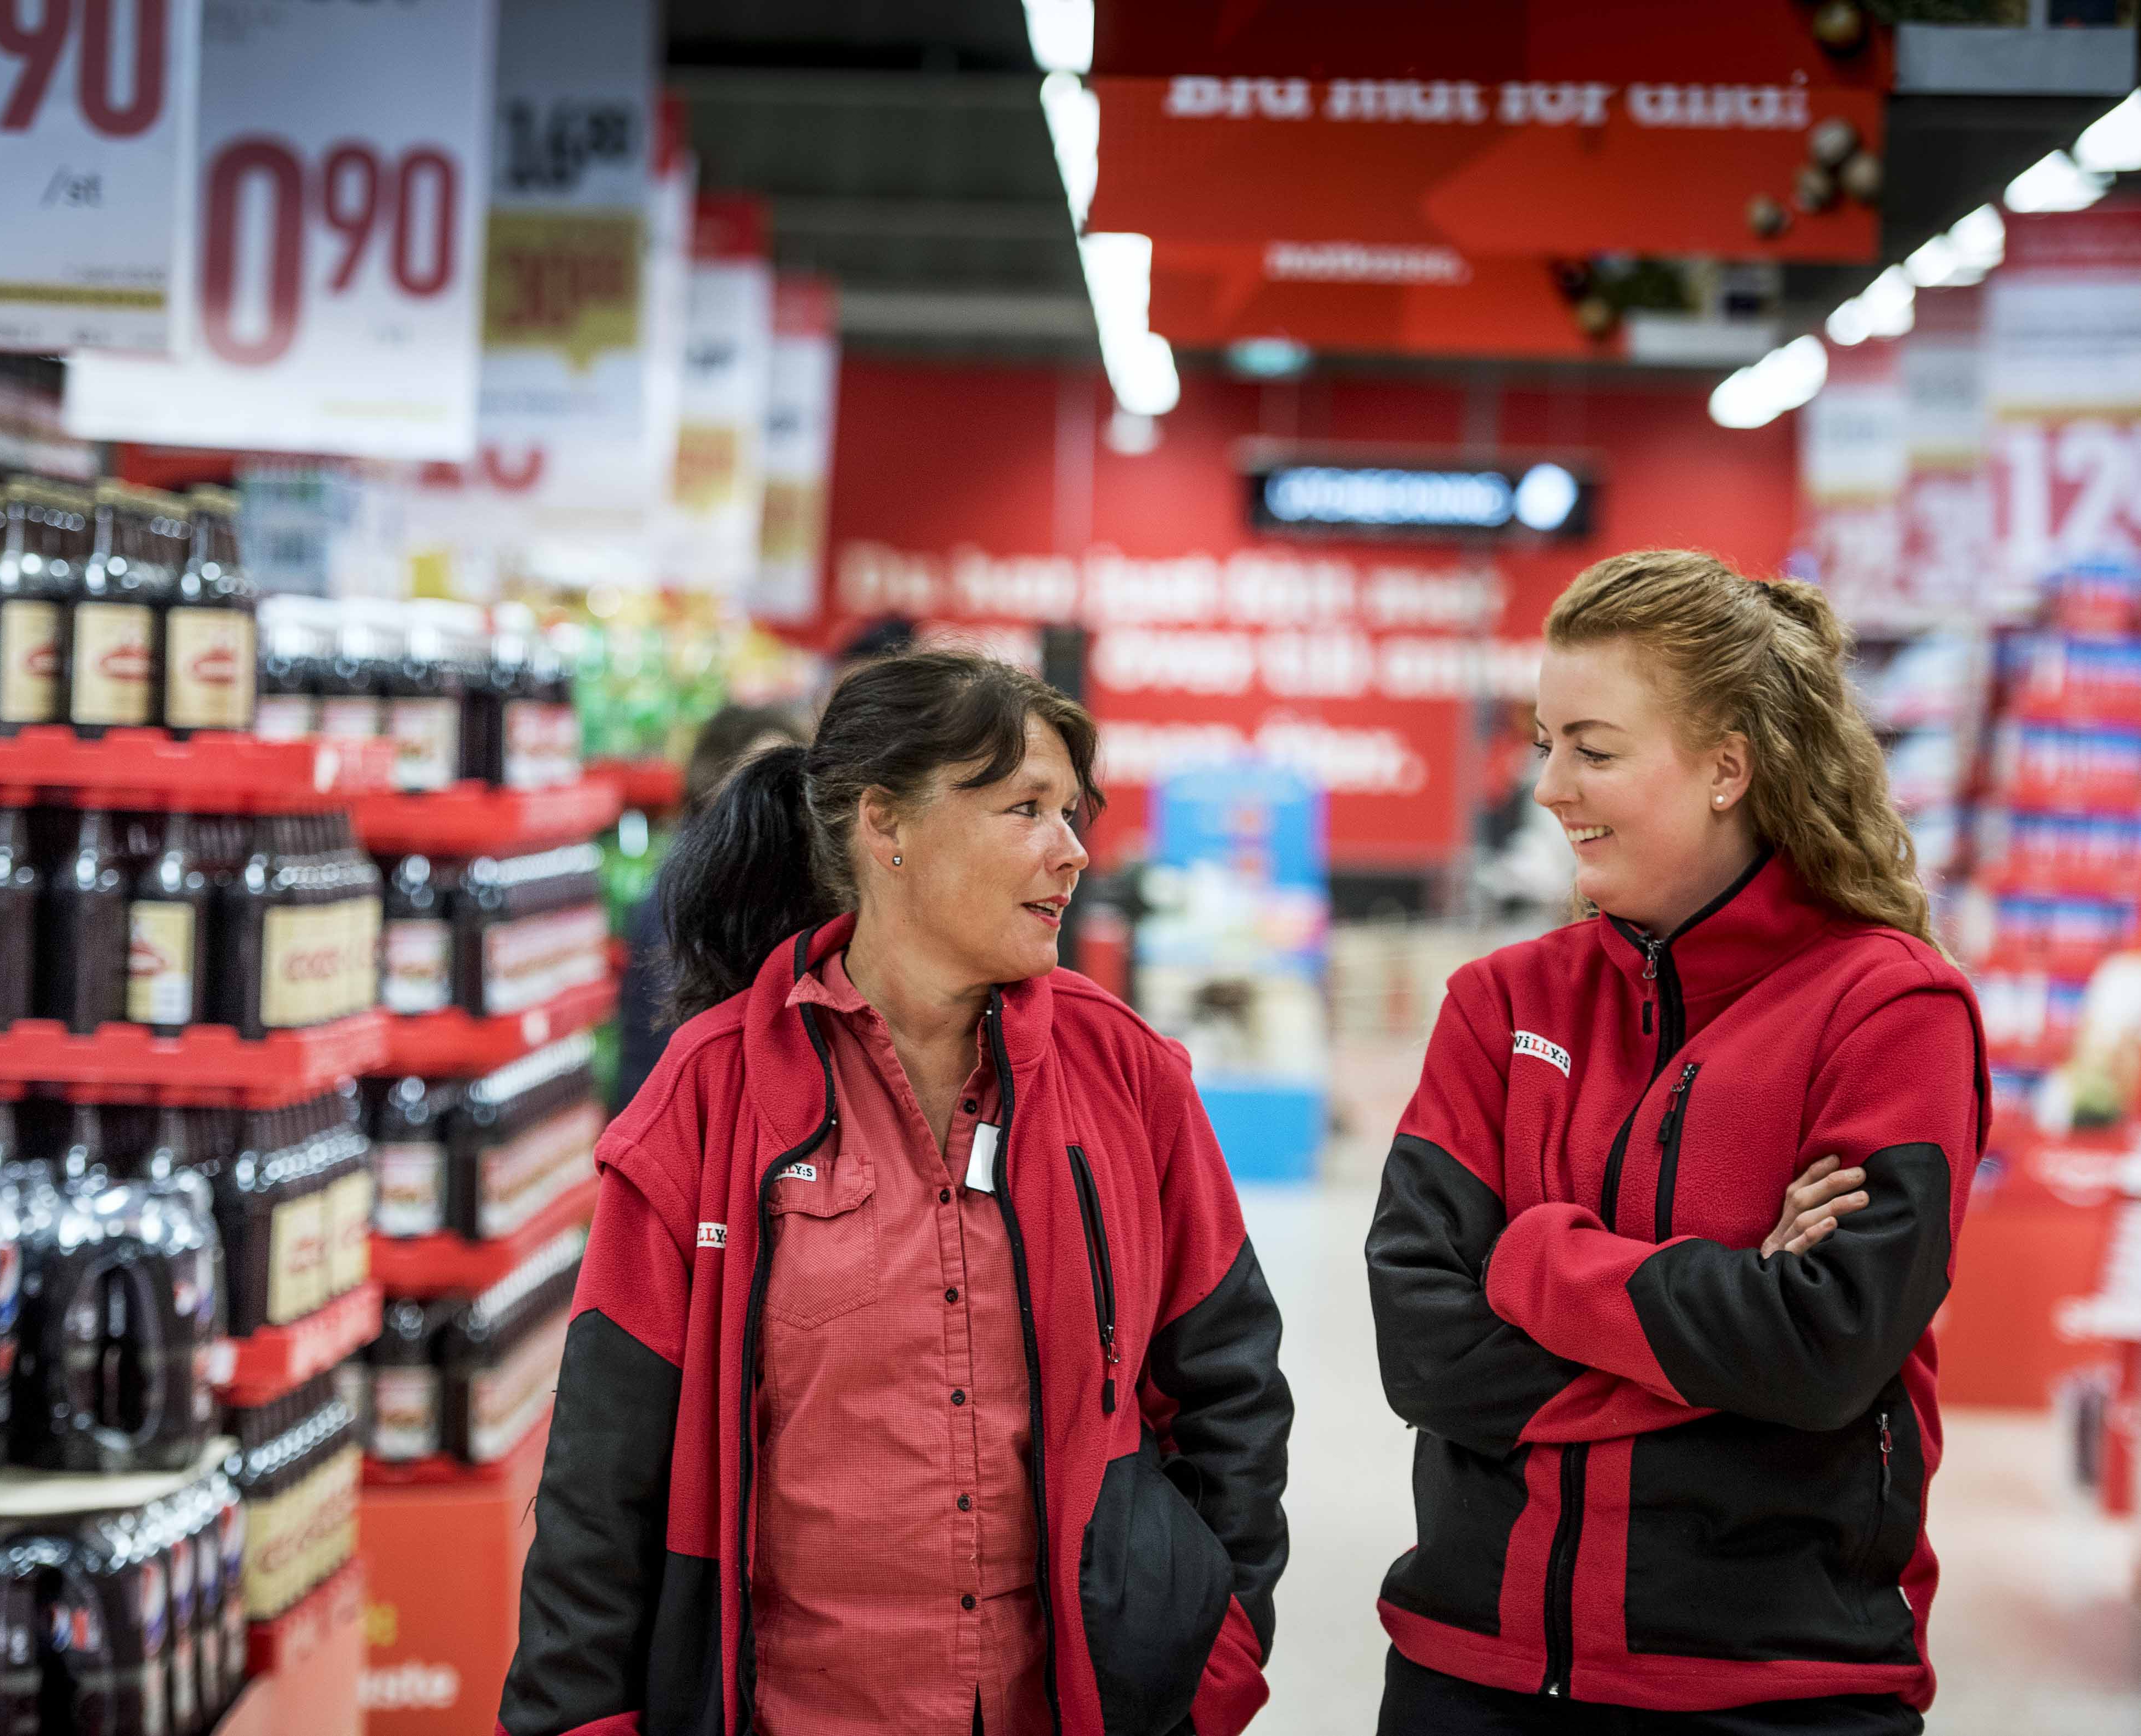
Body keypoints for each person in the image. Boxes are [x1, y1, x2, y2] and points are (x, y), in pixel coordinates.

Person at [499, 650, 1294, 1736]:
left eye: (1070, 812)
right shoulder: (712, 1089)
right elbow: (602, 1480)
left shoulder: (1124, 1072)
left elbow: (1230, 1385)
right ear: (887, 824)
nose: (1070, 850)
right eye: (1024, 808)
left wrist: (1211, 1650)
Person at [1366, 551, 1985, 1734]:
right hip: (1467, 1671)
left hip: (1777, 1691)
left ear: (1725, 769)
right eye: (1543, 741)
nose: (1547, 787)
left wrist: (1529, 1261)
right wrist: (1731, 1322)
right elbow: (1425, 1349)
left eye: (1592, 749)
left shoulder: (1889, 1010)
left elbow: (1823, 1349)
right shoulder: (1499, 1004)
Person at [613, 703, 805, 1112]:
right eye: (765, 784)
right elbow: (680, 1045)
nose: (784, 807)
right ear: (717, 790)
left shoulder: (770, 884)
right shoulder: (693, 894)